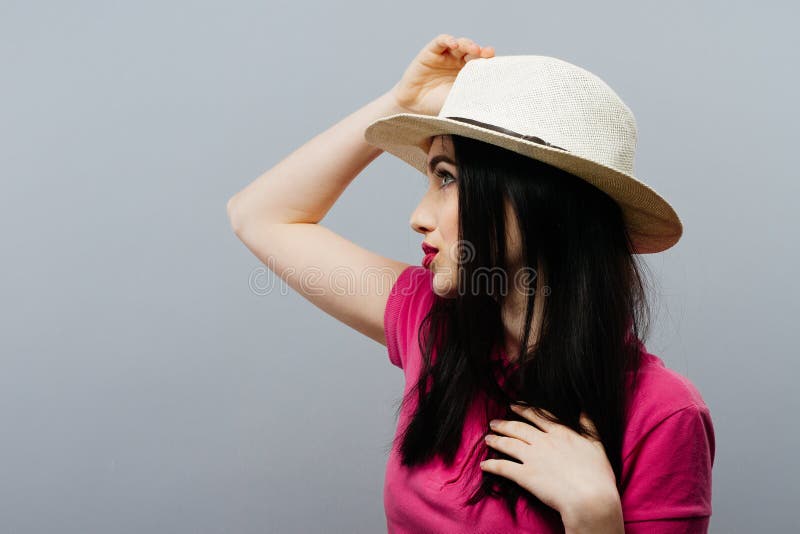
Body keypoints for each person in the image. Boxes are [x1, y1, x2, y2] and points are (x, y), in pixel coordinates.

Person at [227, 34, 715, 534]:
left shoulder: (663, 415)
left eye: (447, 177)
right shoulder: (430, 323)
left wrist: (595, 518)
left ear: (538, 201)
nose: (418, 218)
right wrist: (401, 102)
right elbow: (258, 216)